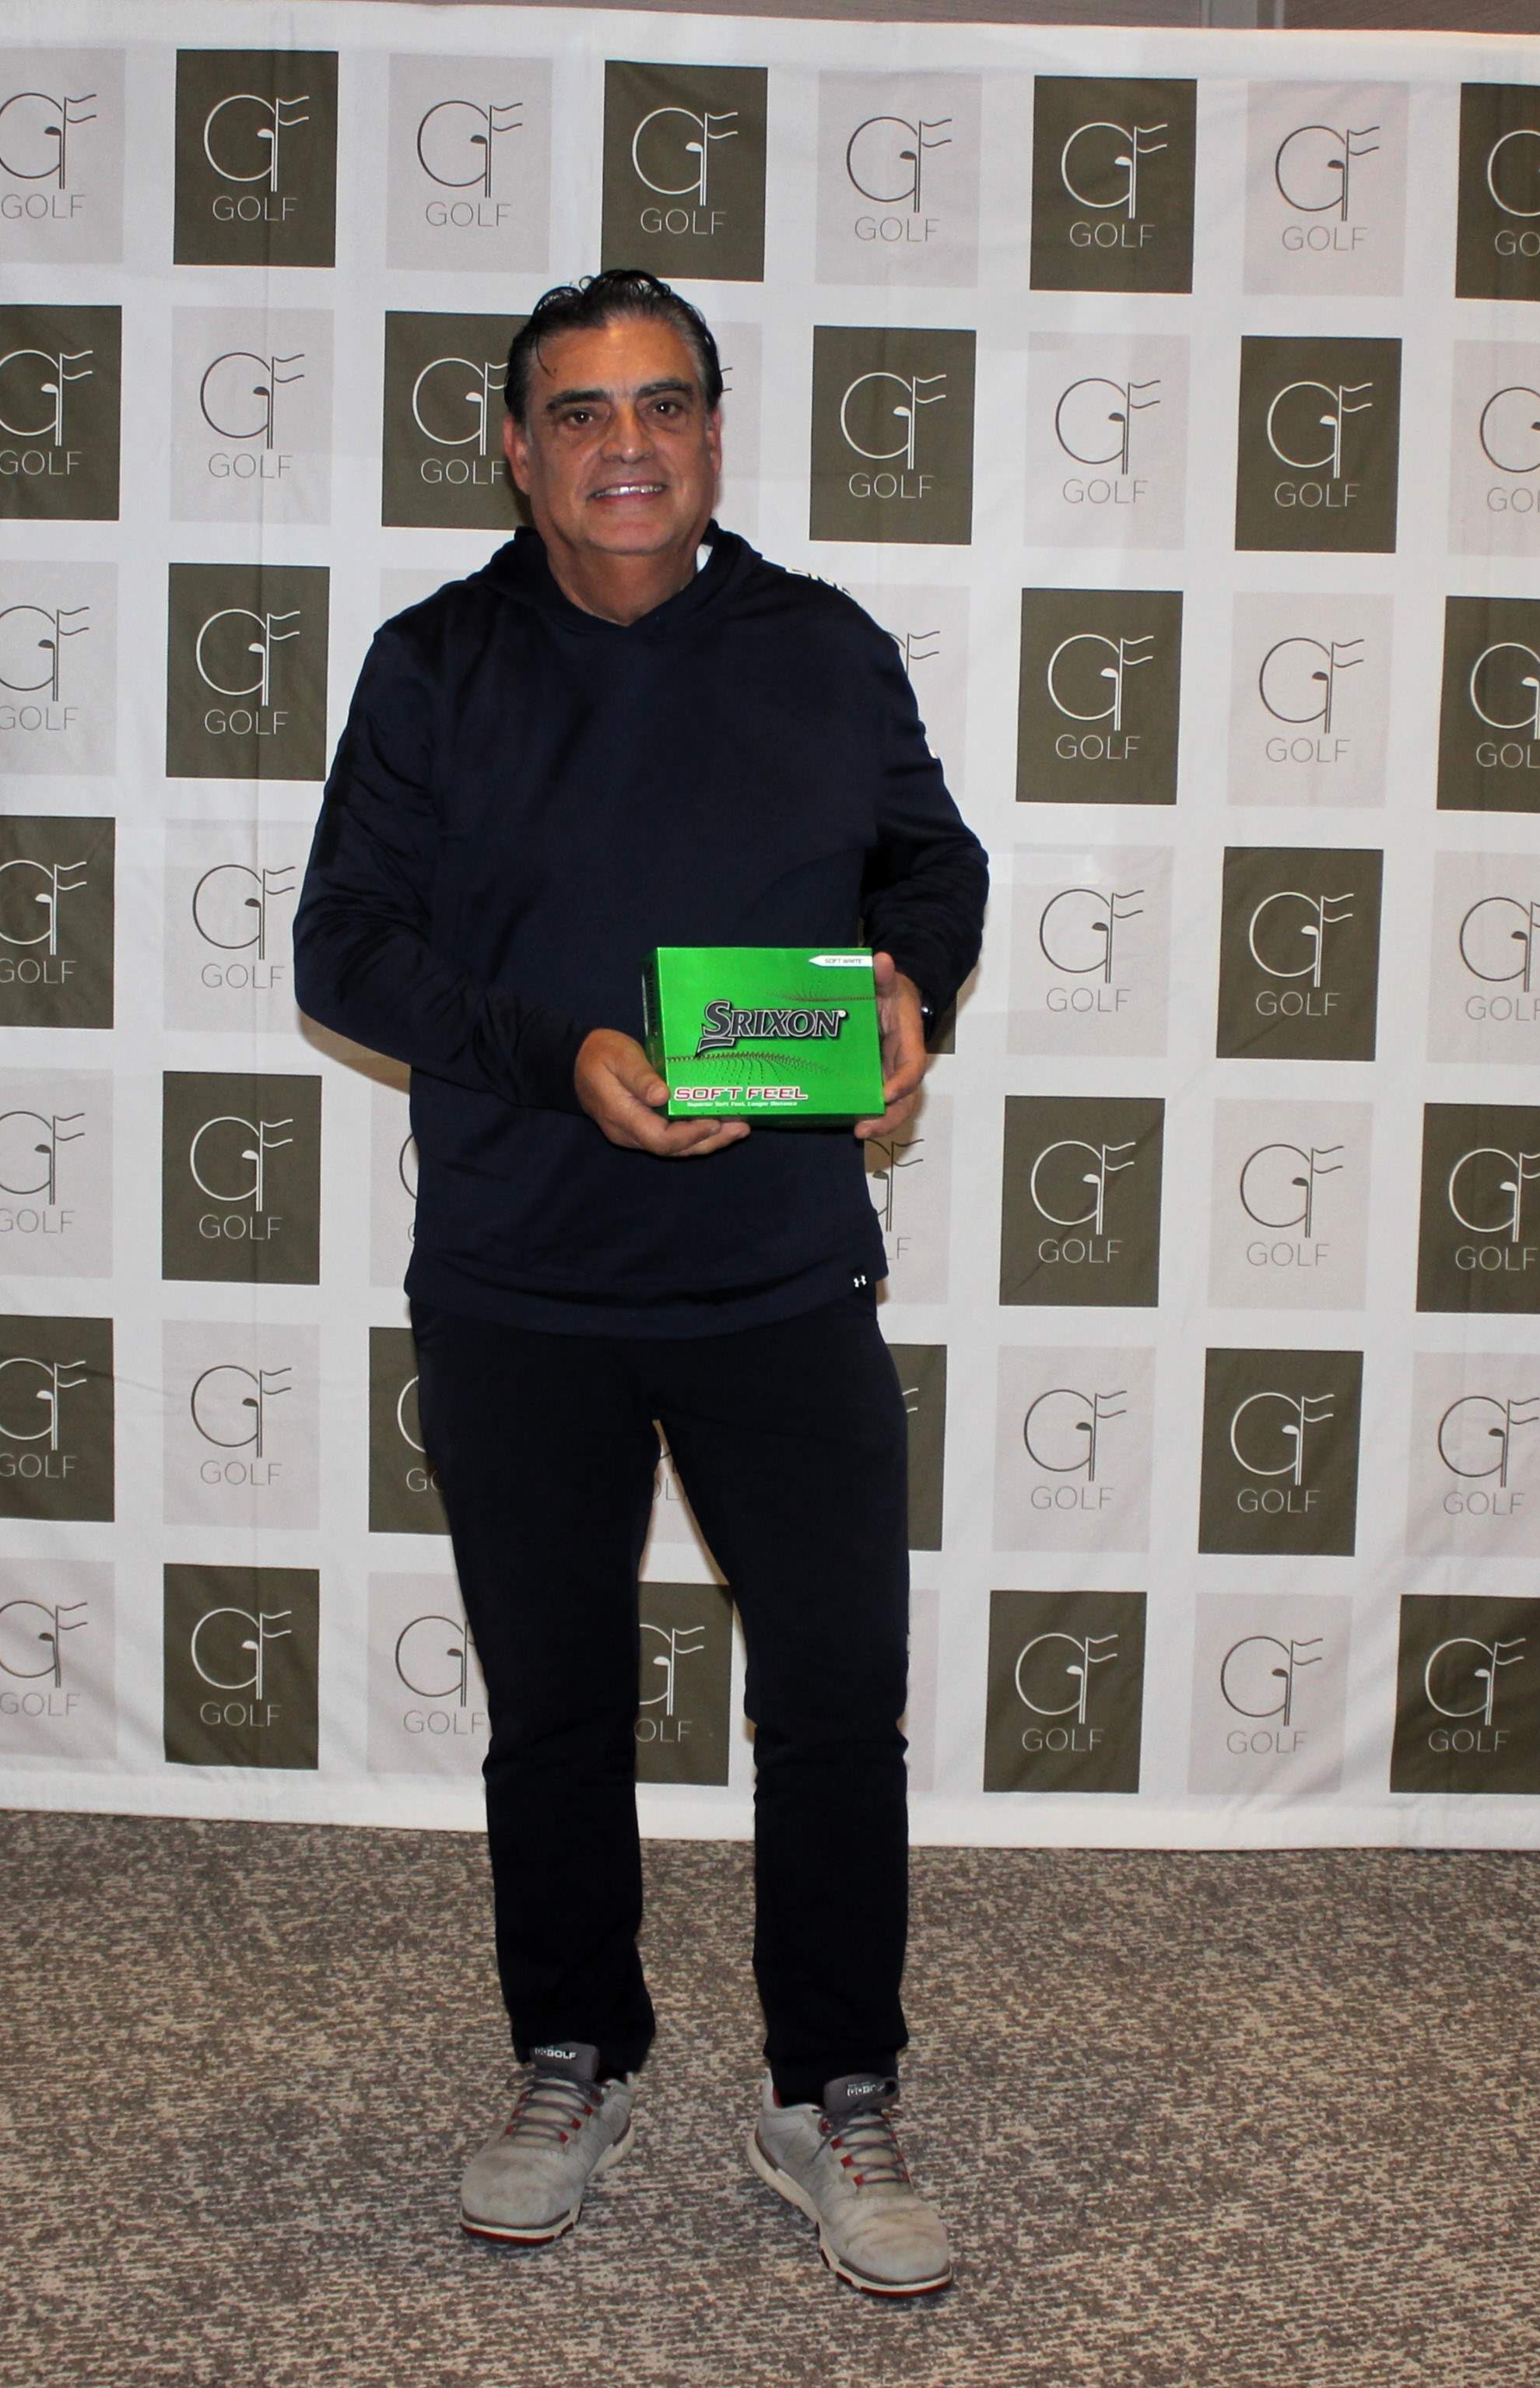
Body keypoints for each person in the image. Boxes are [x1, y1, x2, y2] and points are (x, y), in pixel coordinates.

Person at [294, 268, 987, 2298]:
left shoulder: (822, 647)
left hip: (777, 1269)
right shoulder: (435, 663)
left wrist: (909, 986)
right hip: (519, 1273)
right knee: (557, 1701)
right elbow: (346, 946)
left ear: (712, 434)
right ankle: (571, 2052)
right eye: (582, 411)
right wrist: (555, 1056)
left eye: (663, 403)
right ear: (517, 449)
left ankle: (834, 2089)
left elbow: (928, 863)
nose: (626, 444)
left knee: (835, 1700)